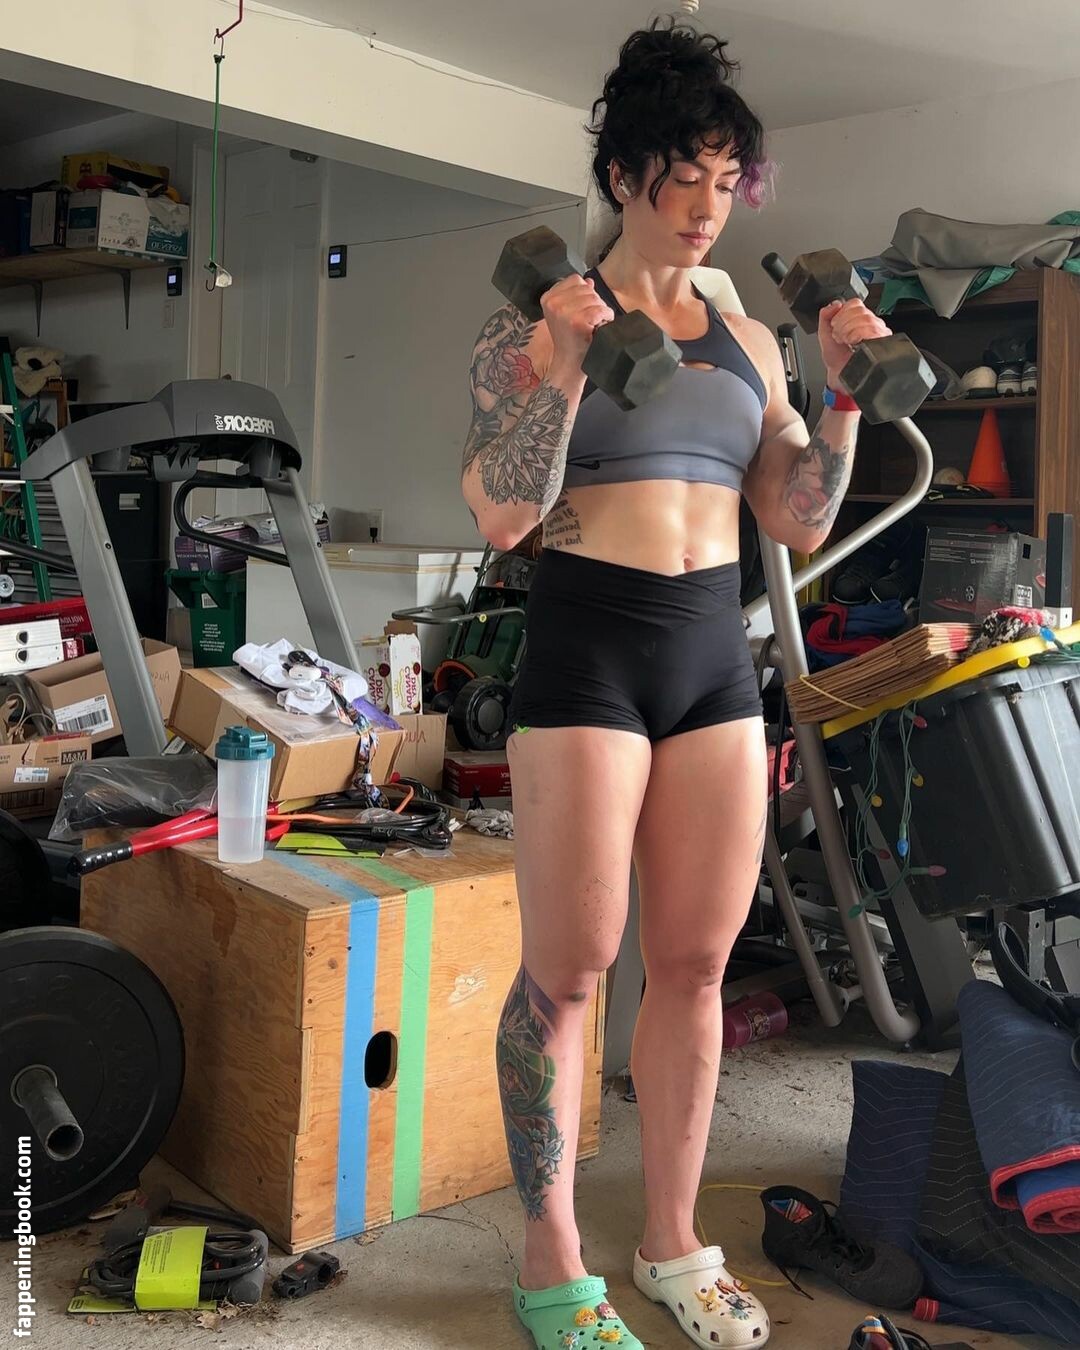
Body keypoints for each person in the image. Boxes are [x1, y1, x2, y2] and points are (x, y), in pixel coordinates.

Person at [461, 19, 891, 1350]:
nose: (708, 207)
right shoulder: (533, 324)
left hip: (713, 654)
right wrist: (560, 368)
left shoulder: (752, 342)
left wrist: (844, 395)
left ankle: (670, 1241)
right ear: (624, 173)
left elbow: (796, 520)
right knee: (571, 966)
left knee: (696, 964)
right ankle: (552, 1255)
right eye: (683, 177)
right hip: (587, 646)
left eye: (725, 181)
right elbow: (500, 515)